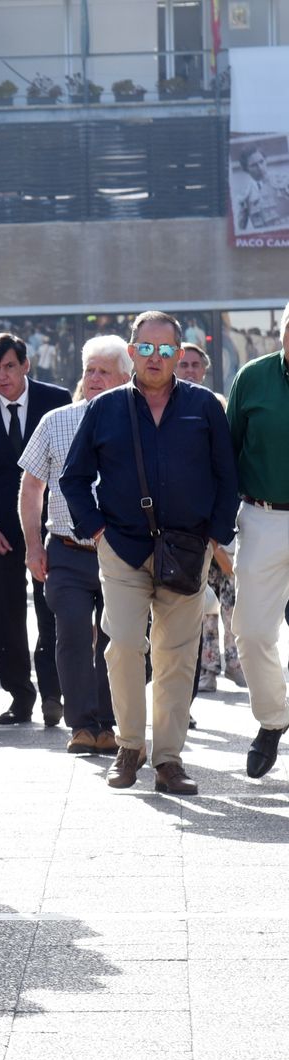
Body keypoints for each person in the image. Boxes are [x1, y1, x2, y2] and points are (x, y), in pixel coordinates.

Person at [61, 311, 238, 795]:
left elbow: (228, 477)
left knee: (176, 657)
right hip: (121, 547)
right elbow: (74, 477)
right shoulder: (106, 408)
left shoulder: (204, 407)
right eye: (147, 348)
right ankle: (129, 746)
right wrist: (95, 531)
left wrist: (215, 535)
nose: (156, 358)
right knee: (122, 646)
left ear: (178, 356)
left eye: (166, 350)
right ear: (133, 351)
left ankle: (168, 760)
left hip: (186, 548)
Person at [18, 336, 131, 755]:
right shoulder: (56, 421)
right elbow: (31, 488)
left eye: (104, 371)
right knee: (69, 634)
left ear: (125, 376)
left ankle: (110, 719)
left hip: (123, 551)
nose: (95, 378)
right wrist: (33, 546)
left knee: (118, 640)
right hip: (66, 549)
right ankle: (83, 724)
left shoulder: (138, 421)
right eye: (89, 370)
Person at [0, 334, 71, 726]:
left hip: (49, 524)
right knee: (4, 616)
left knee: (51, 610)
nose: (1, 376)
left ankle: (54, 694)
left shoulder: (55, 401)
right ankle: (20, 696)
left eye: (8, 367)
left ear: (25, 365)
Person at [227, 301, 289, 779]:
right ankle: (274, 720)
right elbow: (228, 451)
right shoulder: (253, 376)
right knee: (250, 633)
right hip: (263, 517)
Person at [175, 343, 243, 693]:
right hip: (188, 529)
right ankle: (207, 666)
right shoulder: (168, 407)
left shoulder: (218, 406)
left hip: (223, 523)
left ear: (205, 369)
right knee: (199, 603)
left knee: (231, 597)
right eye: (182, 363)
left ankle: (233, 660)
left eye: (194, 364)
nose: (188, 370)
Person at [236, 146, 289, 232]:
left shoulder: (285, 180)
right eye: (254, 165)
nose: (260, 168)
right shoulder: (245, 194)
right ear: (246, 169)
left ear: (266, 160)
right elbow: (240, 229)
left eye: (261, 162)